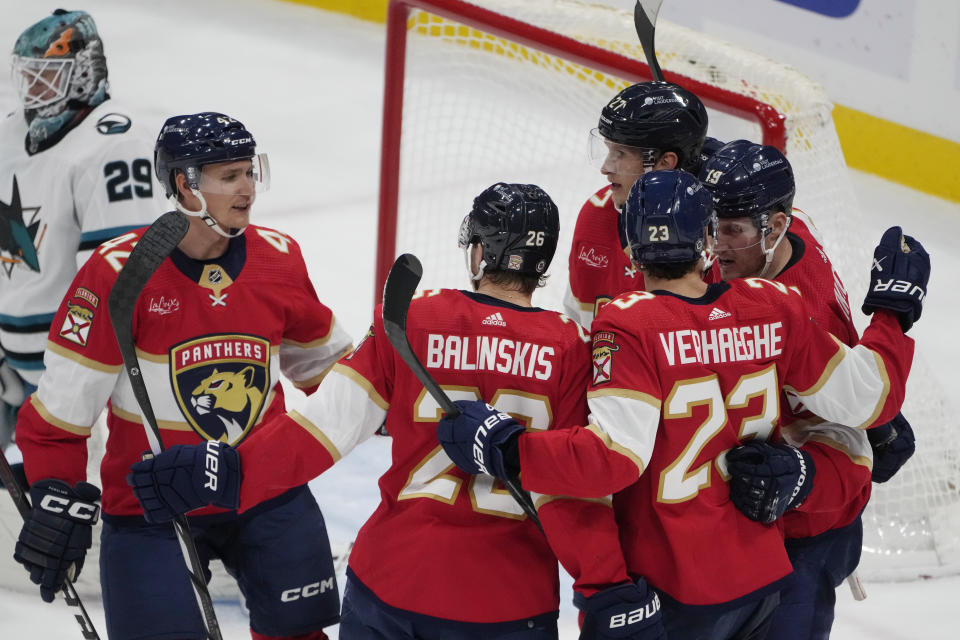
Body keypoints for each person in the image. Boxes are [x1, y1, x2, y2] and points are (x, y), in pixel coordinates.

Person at [126, 182, 635, 639]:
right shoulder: (573, 348)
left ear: (480, 250)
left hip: (394, 582)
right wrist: (605, 585)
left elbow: (323, 426)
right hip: (507, 599)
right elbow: (570, 487)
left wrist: (229, 473)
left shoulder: (412, 318)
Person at [436, 170, 928, 639]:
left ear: (630, 252)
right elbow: (871, 396)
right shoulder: (772, 305)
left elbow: (611, 459)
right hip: (760, 585)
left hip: (672, 591)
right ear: (708, 243)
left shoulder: (627, 324)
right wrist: (892, 313)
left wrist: (506, 447)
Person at [12, 112, 351, 640]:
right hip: (152, 506)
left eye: (249, 172)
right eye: (229, 176)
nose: (247, 191)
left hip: (261, 488)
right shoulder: (117, 273)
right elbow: (58, 419)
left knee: (301, 631)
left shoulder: (278, 260)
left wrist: (399, 394)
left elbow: (333, 374)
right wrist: (58, 495)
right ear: (183, 185)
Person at [700, 139, 916, 639]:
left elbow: (860, 406)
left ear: (775, 226)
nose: (714, 245)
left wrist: (805, 476)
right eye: (712, 225)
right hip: (751, 518)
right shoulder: (795, 231)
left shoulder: (791, 312)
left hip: (807, 528)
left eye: (730, 229)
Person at [0, 9, 165, 455]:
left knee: (83, 503)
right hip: (14, 363)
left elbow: (120, 276)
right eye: (28, 76)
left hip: (82, 371)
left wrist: (71, 376)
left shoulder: (116, 144)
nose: (33, 89)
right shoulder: (13, 130)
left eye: (47, 76)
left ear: (83, 72)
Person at [562, 80, 715, 329]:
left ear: (666, 162)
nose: (605, 168)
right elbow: (578, 324)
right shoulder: (596, 215)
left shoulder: (715, 233)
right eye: (608, 150)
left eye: (620, 154)